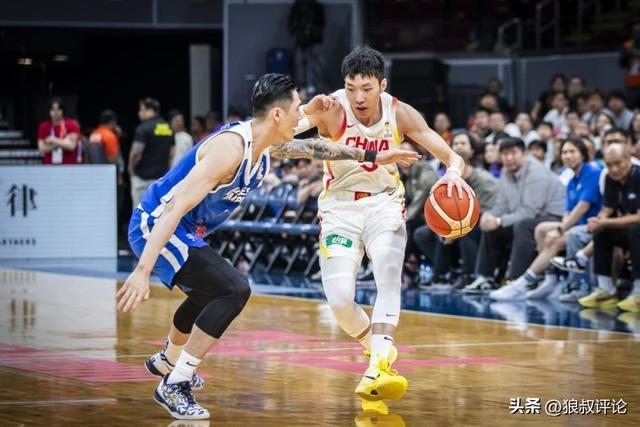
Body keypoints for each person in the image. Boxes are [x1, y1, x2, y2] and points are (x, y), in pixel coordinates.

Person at [117, 73, 419, 420]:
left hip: (186, 229)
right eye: (296, 109)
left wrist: (374, 156)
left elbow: (317, 149)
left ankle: (169, 360)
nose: (302, 116)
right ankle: (176, 382)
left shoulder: (267, 145)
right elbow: (175, 206)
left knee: (207, 292)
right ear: (277, 114)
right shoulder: (230, 149)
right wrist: (142, 271)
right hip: (156, 224)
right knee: (233, 289)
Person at [295, 47, 474, 409]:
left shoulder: (399, 113)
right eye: (351, 88)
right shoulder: (331, 107)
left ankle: (377, 365)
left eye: (366, 88)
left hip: (384, 202)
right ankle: (376, 349)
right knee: (340, 300)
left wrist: (454, 173)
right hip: (339, 207)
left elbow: (452, 156)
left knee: (388, 273)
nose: (358, 97)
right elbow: (280, 135)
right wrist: (305, 113)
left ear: (382, 85)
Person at [489, 137, 602, 300]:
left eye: (572, 151)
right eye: (564, 152)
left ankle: (523, 282)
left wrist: (561, 229)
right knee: (541, 229)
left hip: (590, 225)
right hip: (576, 223)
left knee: (552, 238)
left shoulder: (591, 172)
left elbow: (582, 207)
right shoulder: (572, 179)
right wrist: (562, 227)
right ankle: (550, 279)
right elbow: (568, 211)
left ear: (583, 154)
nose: (568, 156)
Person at [128, 98, 175, 210]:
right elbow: (172, 153)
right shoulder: (168, 127)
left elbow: (136, 153)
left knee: (139, 211)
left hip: (142, 178)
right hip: (160, 179)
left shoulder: (143, 128)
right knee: (159, 212)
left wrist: (131, 169)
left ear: (149, 110)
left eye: (141, 109)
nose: (139, 113)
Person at [37, 98, 82, 165]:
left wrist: (53, 140)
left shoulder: (72, 125)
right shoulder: (43, 126)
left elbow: (71, 146)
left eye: (58, 109)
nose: (56, 112)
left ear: (62, 110)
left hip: (69, 166)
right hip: (49, 166)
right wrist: (63, 142)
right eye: (53, 109)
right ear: (49, 111)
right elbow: (41, 148)